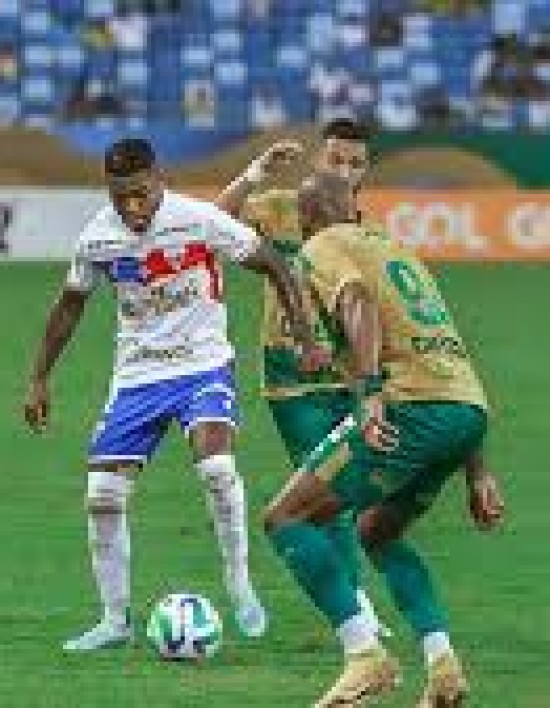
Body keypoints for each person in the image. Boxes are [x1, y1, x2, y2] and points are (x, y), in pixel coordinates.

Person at [24, 137, 321, 652]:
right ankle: (114, 620)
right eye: (121, 197)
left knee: (217, 468)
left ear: (159, 180)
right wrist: (39, 378)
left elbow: (273, 262)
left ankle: (239, 582)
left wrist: (304, 334)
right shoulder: (97, 238)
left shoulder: (197, 219)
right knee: (102, 496)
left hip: (202, 365)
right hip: (137, 376)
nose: (132, 207)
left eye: (140, 193)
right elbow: (69, 304)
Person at [261, 169, 504, 707]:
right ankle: (442, 666)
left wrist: (370, 393)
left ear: (308, 218)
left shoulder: (324, 246)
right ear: (356, 208)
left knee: (286, 518)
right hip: (464, 410)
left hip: (408, 408)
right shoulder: (399, 252)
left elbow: (356, 302)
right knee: (378, 530)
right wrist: (478, 469)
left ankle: (364, 655)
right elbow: (446, 350)